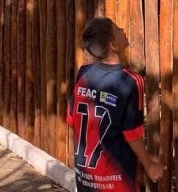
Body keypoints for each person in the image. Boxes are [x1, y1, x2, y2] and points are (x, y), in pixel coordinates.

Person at [68, 17, 163, 192]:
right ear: (114, 46)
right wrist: (150, 165)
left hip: (85, 178)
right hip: (116, 183)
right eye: (118, 29)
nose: (123, 29)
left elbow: (71, 118)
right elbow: (132, 134)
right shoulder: (131, 81)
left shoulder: (83, 73)